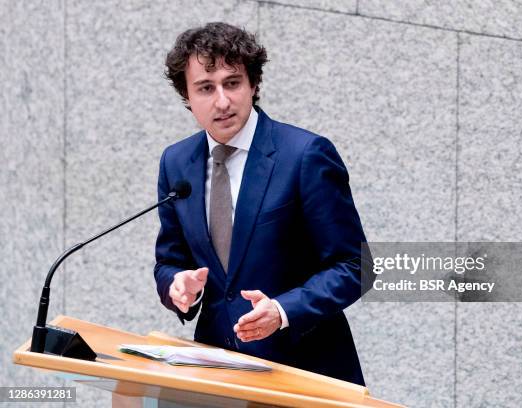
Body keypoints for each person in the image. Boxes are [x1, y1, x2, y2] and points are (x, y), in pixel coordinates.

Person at [154, 22, 372, 386]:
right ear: (187, 97)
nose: (222, 101)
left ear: (253, 84)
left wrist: (283, 310)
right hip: (216, 374)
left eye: (232, 83)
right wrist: (177, 286)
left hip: (303, 372)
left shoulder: (304, 155)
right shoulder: (176, 163)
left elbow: (356, 266)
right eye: (206, 88)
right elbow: (169, 261)